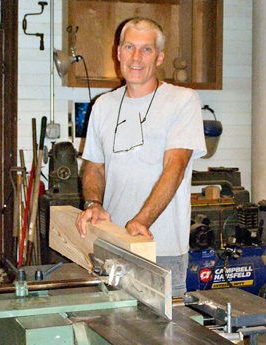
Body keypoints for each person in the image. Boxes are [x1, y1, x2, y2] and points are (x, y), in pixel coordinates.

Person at [76, 17, 206, 297]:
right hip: (111, 243)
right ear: (118, 52)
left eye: (146, 50)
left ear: (159, 58)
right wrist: (93, 203)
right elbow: (94, 167)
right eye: (129, 47)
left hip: (160, 247)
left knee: (163, 337)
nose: (136, 57)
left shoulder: (183, 101)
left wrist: (142, 220)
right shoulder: (102, 105)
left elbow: (176, 167)